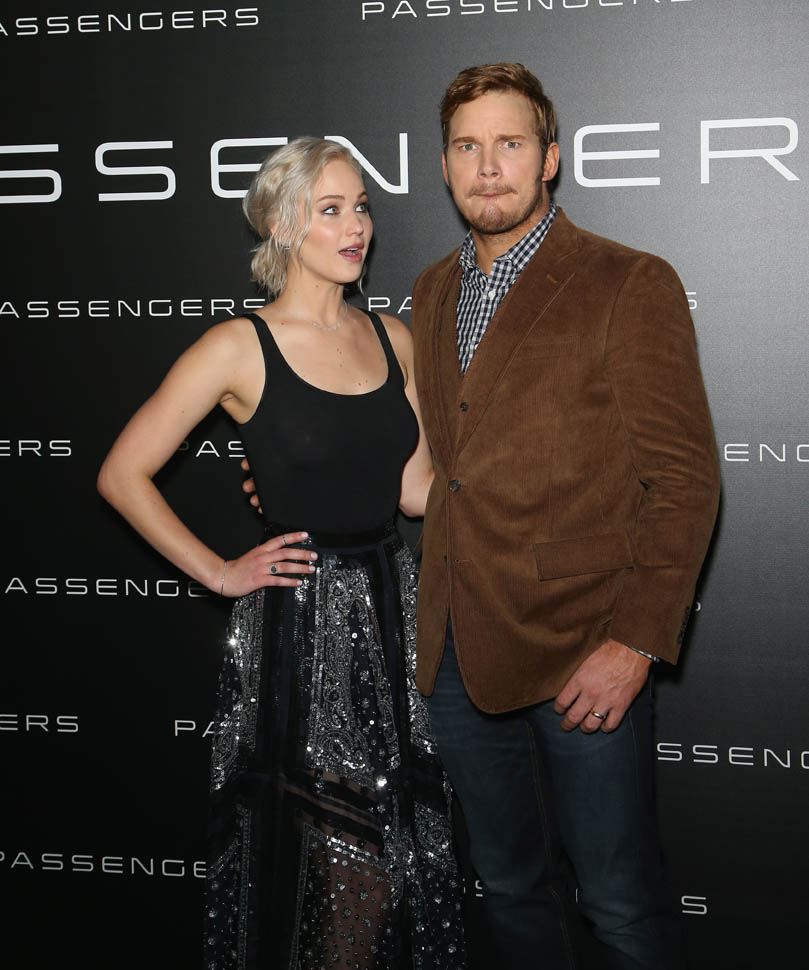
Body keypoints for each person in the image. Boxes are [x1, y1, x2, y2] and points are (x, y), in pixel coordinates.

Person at [97, 137, 466, 970]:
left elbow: (417, 492)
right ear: (281, 225)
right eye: (330, 209)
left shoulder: (393, 337)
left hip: (393, 608)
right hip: (299, 629)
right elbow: (122, 474)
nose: (355, 225)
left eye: (360, 207)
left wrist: (531, 488)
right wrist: (221, 572)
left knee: (393, 845)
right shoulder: (238, 346)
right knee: (319, 847)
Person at [407, 64, 721, 969]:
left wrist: (634, 644)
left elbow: (685, 480)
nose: (487, 166)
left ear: (549, 157)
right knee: (508, 889)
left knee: (619, 904)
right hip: (458, 651)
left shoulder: (626, 281)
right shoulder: (430, 290)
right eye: (467, 147)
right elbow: (435, 468)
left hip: (583, 649)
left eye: (508, 143)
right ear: (444, 165)